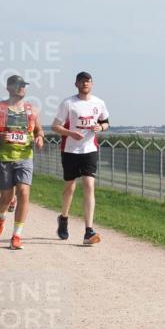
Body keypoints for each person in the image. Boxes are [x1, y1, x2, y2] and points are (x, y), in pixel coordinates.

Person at [0, 76, 45, 249]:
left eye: (24, 85)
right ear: (8, 87)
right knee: (6, 198)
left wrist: (39, 138)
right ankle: (1, 217)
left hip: (25, 157)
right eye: (19, 85)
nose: (22, 88)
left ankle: (17, 235)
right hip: (3, 158)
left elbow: (39, 130)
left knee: (23, 193)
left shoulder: (32, 109)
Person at [51, 71, 110, 245]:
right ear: (76, 84)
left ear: (92, 84)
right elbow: (55, 126)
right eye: (82, 81)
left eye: (88, 81)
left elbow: (106, 122)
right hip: (70, 150)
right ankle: (63, 218)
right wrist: (70, 133)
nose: (85, 84)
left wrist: (101, 128)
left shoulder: (99, 103)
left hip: (90, 149)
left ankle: (88, 231)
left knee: (89, 185)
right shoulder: (68, 103)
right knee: (70, 187)